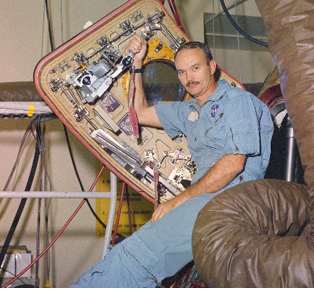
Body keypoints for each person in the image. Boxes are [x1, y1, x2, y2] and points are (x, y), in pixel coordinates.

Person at [70, 37, 273, 288]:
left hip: (235, 197)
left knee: (141, 253)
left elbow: (233, 164)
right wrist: (136, 65)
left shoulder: (237, 101)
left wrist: (179, 200)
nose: (189, 77)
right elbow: (141, 112)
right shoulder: (188, 111)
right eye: (181, 72)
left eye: (195, 68)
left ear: (212, 67)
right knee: (133, 244)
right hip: (205, 198)